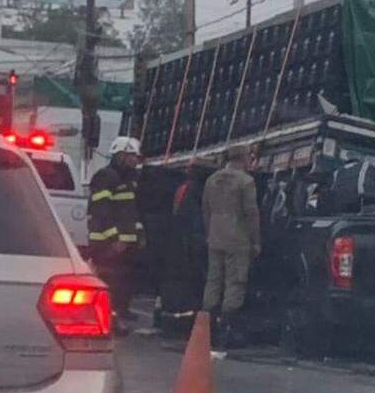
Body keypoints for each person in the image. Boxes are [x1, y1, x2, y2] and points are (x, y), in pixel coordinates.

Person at [201, 144, 262, 349]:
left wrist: (210, 232)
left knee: (213, 281)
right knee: (235, 282)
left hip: (215, 236)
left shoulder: (212, 179)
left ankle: (206, 329)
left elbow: (206, 209)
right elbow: (251, 213)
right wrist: (256, 241)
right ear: (243, 158)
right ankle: (225, 333)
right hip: (238, 238)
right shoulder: (246, 181)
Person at [87, 136, 145, 336]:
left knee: (122, 283)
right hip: (106, 243)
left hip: (124, 244)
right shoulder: (106, 177)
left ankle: (118, 314)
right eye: (131, 156)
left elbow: (130, 212)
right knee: (110, 282)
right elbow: (101, 211)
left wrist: (138, 235)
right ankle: (109, 320)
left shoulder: (128, 180)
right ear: (120, 155)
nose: (135, 161)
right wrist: (114, 239)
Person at [159, 155, 216, 335]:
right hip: (192, 243)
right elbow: (197, 219)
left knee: (177, 282)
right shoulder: (201, 190)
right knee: (191, 284)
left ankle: (171, 320)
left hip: (178, 242)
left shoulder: (184, 189)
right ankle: (186, 323)